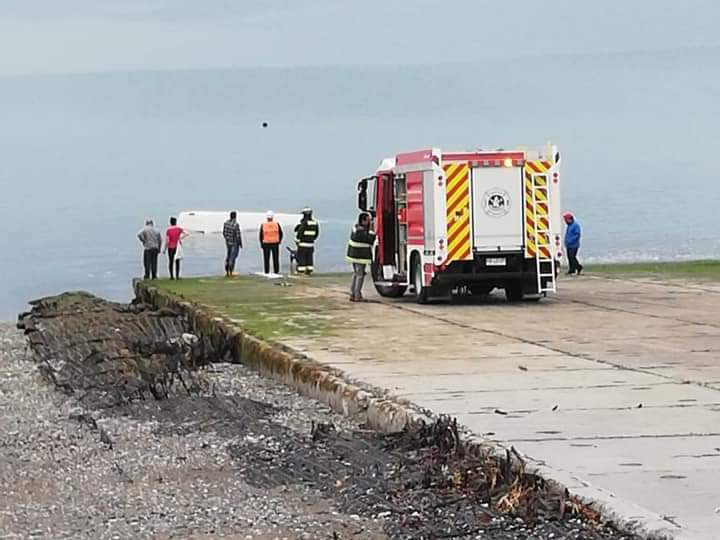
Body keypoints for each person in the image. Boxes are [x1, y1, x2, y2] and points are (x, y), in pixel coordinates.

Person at [346, 212, 376, 302]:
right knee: (360, 275)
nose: (369, 222)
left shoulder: (355, 228)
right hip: (360, 256)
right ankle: (357, 295)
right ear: (363, 221)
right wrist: (371, 231)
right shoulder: (361, 231)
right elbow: (370, 239)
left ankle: (353, 293)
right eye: (368, 220)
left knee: (356, 274)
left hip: (353, 255)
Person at [294, 207, 320, 275]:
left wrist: (297, 240)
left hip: (303, 244)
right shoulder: (315, 223)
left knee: (301, 257)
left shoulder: (304, 223)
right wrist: (311, 239)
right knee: (309, 258)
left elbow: (300, 232)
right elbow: (316, 234)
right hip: (311, 244)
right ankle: (309, 271)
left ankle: (301, 271)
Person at [223, 211, 243, 277]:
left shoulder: (226, 223)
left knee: (228, 256)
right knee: (233, 257)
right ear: (235, 216)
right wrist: (240, 243)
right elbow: (238, 235)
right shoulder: (235, 224)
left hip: (228, 242)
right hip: (234, 243)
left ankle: (227, 271)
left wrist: (227, 239)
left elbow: (224, 233)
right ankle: (231, 272)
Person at [563, 211, 583, 276]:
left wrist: (570, 241)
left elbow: (577, 235)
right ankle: (571, 269)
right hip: (569, 245)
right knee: (569, 257)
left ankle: (578, 267)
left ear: (570, 219)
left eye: (566, 220)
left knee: (572, 257)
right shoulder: (569, 226)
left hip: (574, 245)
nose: (565, 221)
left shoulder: (575, 225)